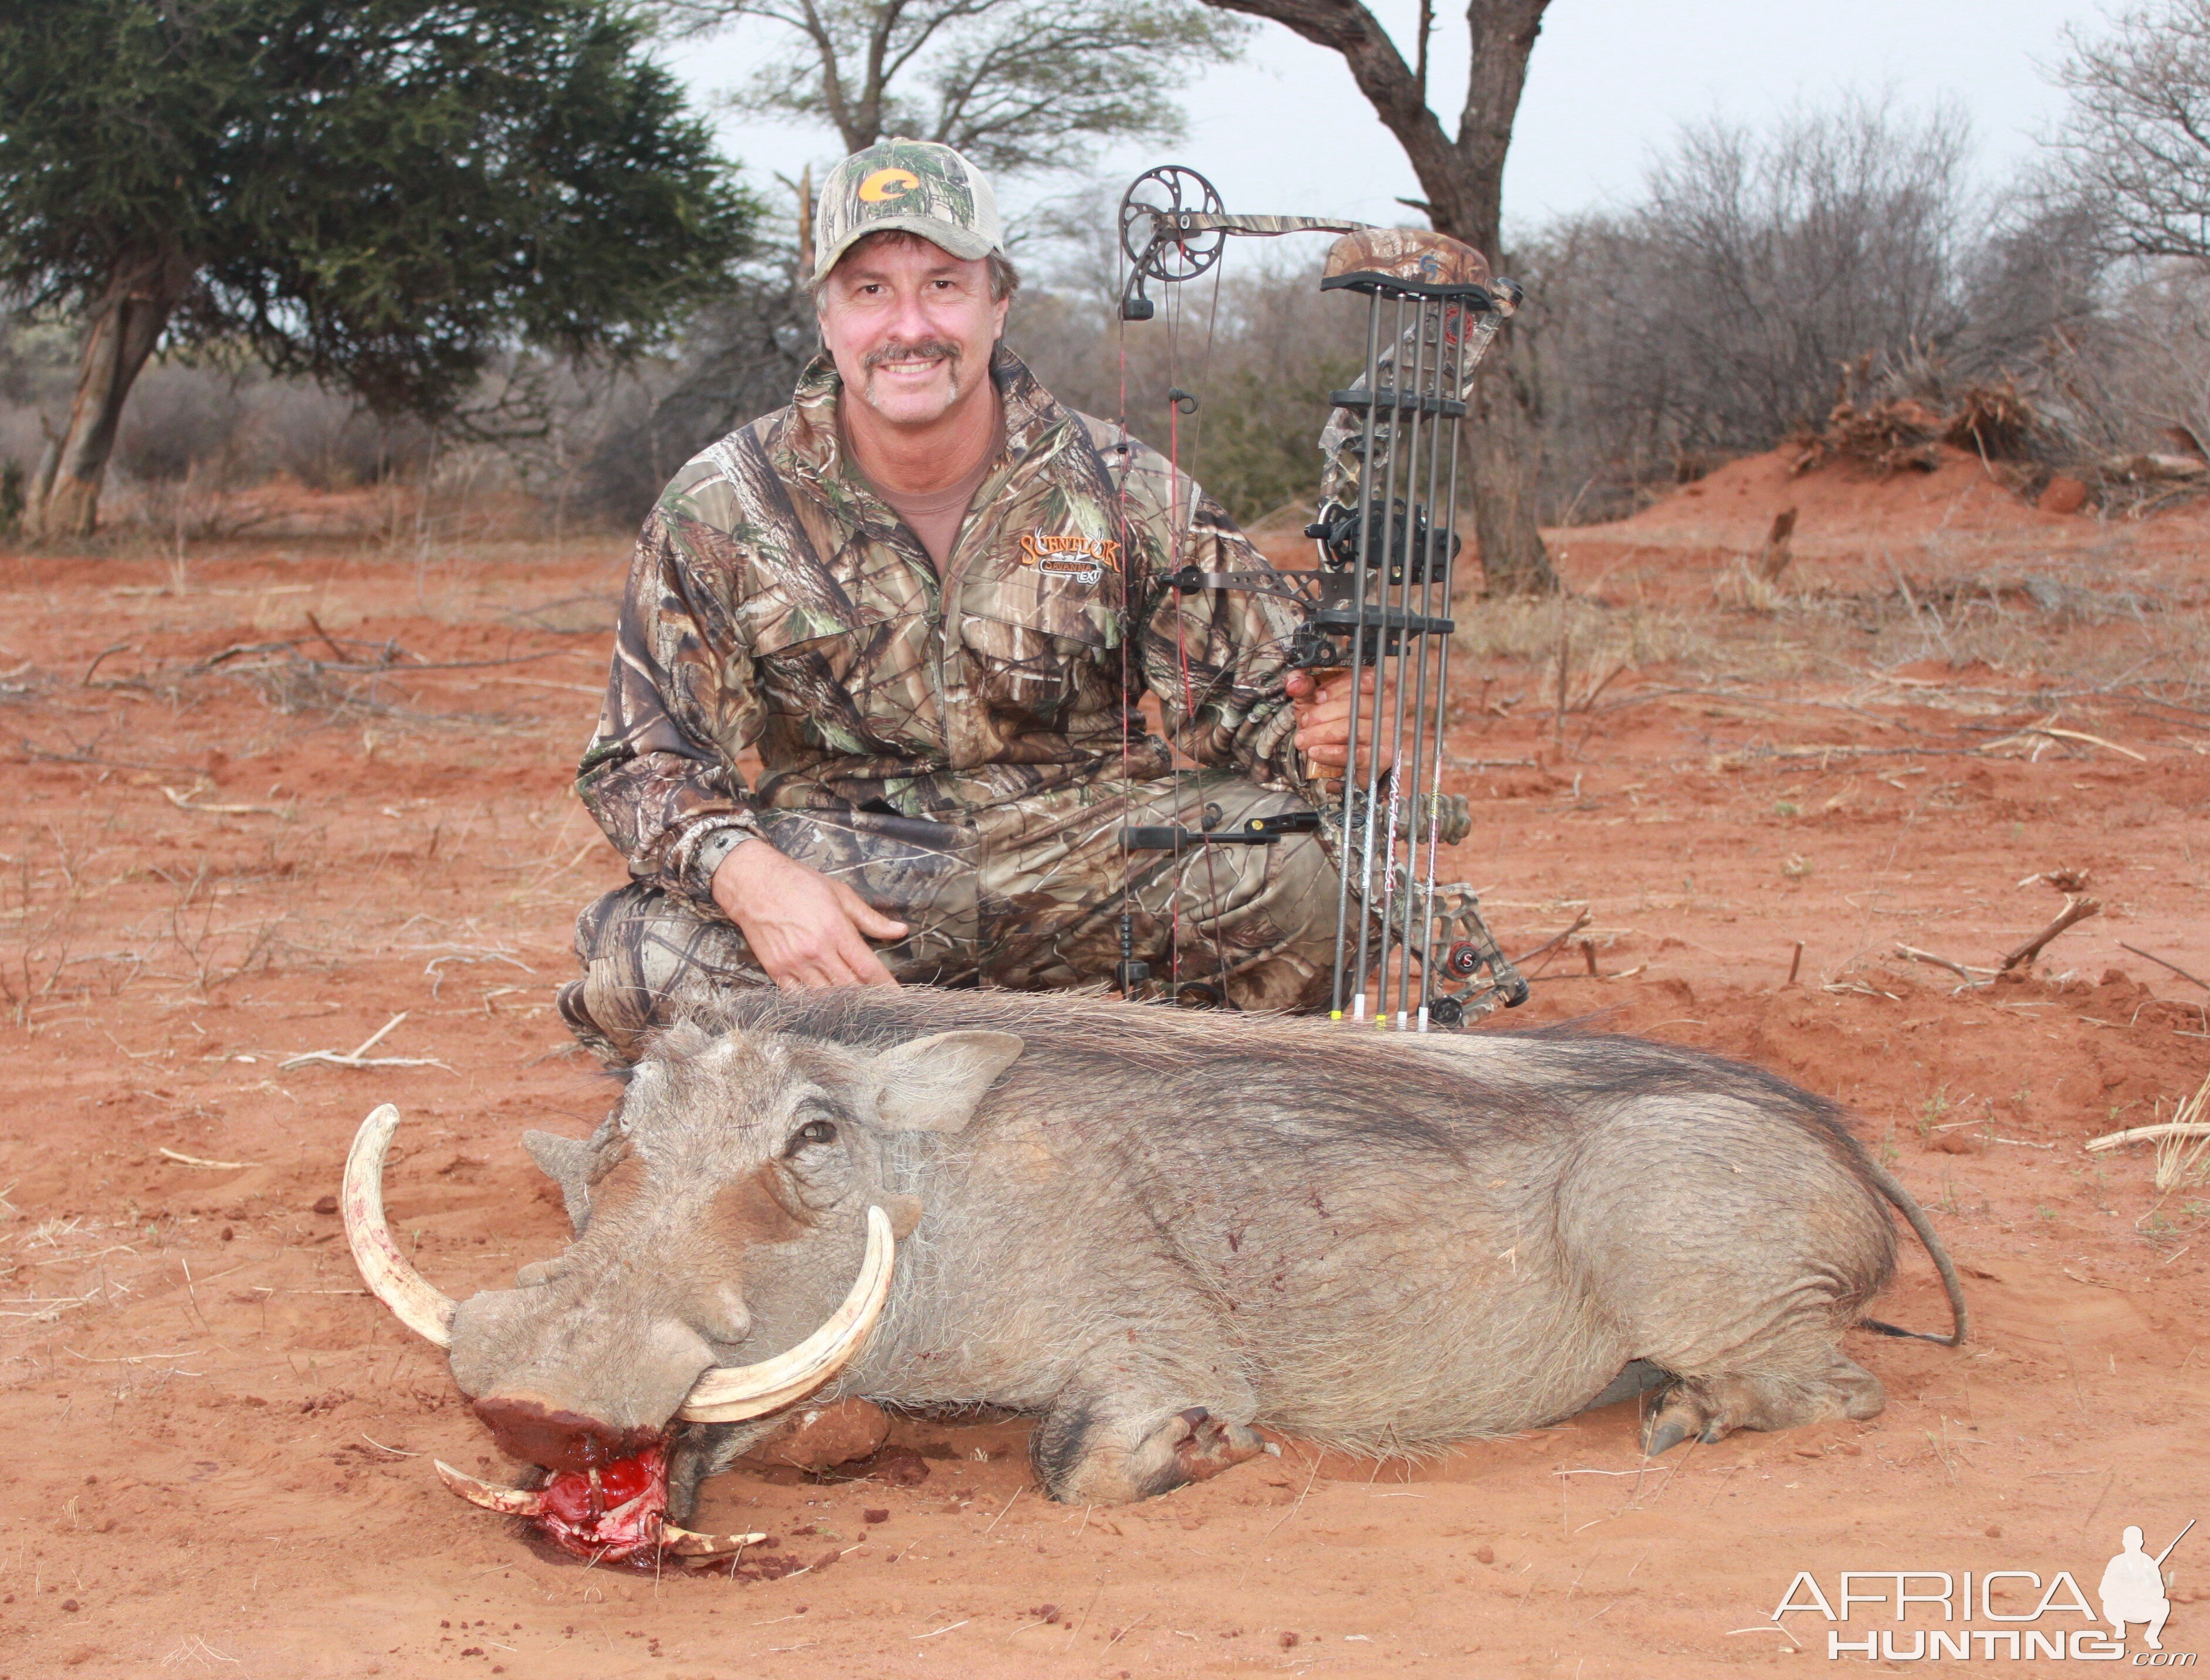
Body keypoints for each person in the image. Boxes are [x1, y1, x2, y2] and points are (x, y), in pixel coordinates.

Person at [557, 138, 1480, 1064]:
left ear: (998, 302)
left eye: (944, 286)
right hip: (852, 878)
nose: (907, 325)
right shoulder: (722, 502)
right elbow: (642, 762)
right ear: (827, 315)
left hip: (1092, 865)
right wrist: (754, 881)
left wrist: (1336, 731)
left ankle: (963, 1062)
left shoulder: (1122, 484)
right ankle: (1041, 1056)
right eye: (870, 289)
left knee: (1327, 878)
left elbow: (1261, 701)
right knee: (644, 962)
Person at [2100, 1526, 2170, 1649]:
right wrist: (2122, 1591)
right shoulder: (2116, 1561)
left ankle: (2152, 1636)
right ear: (2124, 1543)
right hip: (2121, 1609)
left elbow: (2160, 1592)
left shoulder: (2149, 1562)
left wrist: (2144, 1592)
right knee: (2108, 1603)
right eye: (2130, 1542)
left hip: (2142, 1608)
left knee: (2164, 1604)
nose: (2132, 1545)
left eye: (2135, 1542)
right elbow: (2103, 1591)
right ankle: (2120, 1626)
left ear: (2141, 1543)